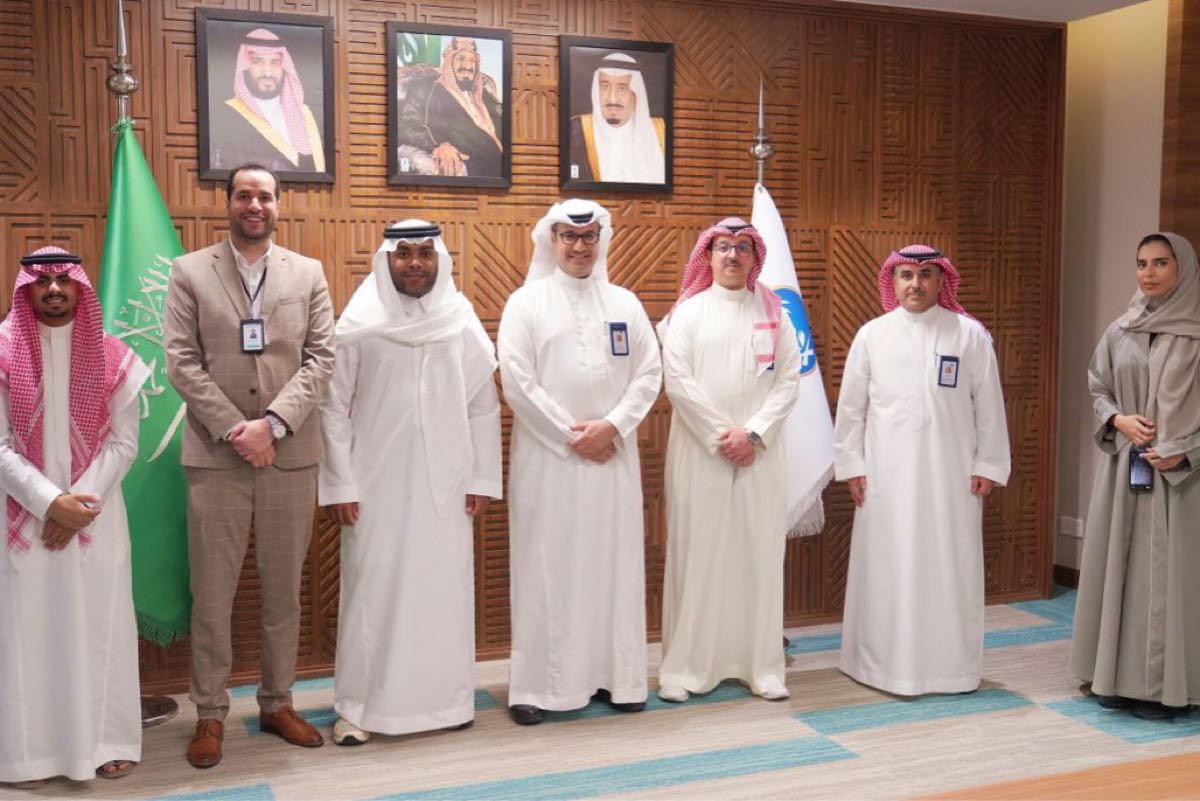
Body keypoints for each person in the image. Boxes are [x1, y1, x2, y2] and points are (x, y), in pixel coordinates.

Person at [165, 163, 335, 767]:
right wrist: (239, 429)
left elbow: (322, 358)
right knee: (212, 594)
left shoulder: (307, 273)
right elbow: (181, 360)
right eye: (244, 195)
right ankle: (210, 713)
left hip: (291, 455)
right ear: (228, 203)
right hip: (217, 457)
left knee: (283, 593)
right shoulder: (190, 271)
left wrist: (274, 424)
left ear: (278, 204)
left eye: (264, 196)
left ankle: (277, 703)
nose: (254, 205)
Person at [318, 220, 502, 745]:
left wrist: (481, 477)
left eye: (425, 252)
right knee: (373, 592)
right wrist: (340, 485)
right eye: (404, 254)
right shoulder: (360, 321)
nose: (415, 263)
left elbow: (482, 404)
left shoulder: (458, 318)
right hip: (375, 483)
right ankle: (359, 710)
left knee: (442, 592)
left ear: (439, 258)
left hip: (447, 484)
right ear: (387, 261)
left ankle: (446, 704)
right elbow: (331, 406)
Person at [498, 199, 661, 725]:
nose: (579, 246)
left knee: (613, 564)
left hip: (613, 457)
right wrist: (574, 436)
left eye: (589, 236)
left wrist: (612, 426)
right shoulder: (526, 303)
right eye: (569, 236)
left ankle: (619, 678)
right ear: (552, 240)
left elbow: (649, 373)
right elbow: (517, 381)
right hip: (549, 462)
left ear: (601, 240)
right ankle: (538, 688)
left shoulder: (625, 303)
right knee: (547, 567)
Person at [0, 247, 150, 787]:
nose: (54, 290)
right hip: (21, 518)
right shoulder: (1, 351)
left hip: (96, 518)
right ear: (26, 289)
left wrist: (76, 506)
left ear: (80, 287)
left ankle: (107, 741)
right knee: (28, 633)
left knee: (99, 626)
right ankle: (28, 755)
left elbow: (123, 444)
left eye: (64, 279)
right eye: (42, 281)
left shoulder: (114, 355)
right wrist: (48, 503)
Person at [833, 245, 1010, 696]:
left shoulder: (969, 335)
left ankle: (949, 669)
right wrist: (852, 465)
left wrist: (988, 463)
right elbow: (851, 410)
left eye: (926, 274)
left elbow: (989, 405)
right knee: (886, 565)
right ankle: (876, 666)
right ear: (893, 282)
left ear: (941, 281)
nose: (916, 284)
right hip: (885, 477)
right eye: (907, 275)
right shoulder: (872, 335)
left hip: (951, 478)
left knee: (949, 566)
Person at [656, 218, 801, 703]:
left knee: (758, 555)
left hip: (761, 454)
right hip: (702, 453)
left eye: (742, 247)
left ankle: (761, 668)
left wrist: (753, 433)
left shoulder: (775, 314)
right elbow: (678, 382)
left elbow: (789, 380)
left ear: (755, 257)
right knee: (697, 556)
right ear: (709, 255)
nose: (733, 255)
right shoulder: (688, 314)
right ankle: (684, 669)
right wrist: (725, 437)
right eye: (723, 247)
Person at [1070, 233, 1200, 720]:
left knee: (1172, 580)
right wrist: (1118, 420)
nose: (1149, 273)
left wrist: (1187, 450)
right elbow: (1098, 387)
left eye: (1161, 263)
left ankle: (1168, 688)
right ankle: (1115, 678)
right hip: (1127, 468)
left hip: (1183, 480)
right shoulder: (1120, 329)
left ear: (1183, 268)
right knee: (1121, 570)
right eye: (1142, 263)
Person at [210, 28, 326, 174]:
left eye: (275, 62)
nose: (267, 72)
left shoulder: (305, 114)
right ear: (245, 66)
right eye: (257, 62)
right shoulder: (226, 115)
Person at [394, 37, 503, 178]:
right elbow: (406, 125)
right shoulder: (426, 88)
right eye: (461, 58)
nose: (468, 66)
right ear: (449, 60)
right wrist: (439, 144)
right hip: (475, 170)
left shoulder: (483, 94)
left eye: (472, 60)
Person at [566, 52, 665, 184]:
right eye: (604, 87)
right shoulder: (576, 130)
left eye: (622, 88)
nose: (612, 99)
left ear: (636, 94)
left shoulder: (661, 132)